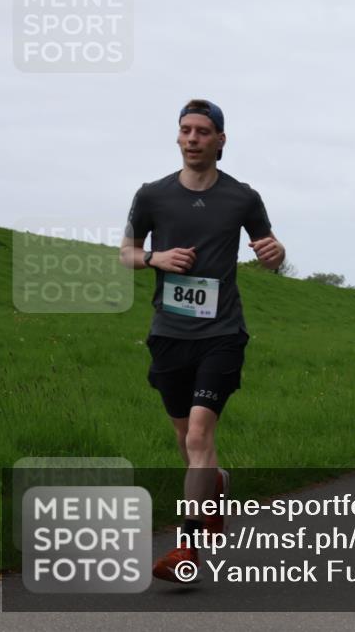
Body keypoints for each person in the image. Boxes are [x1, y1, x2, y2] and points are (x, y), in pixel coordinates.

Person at [120, 99, 285, 581]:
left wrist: (276, 253)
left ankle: (186, 549)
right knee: (184, 439)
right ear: (178, 137)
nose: (192, 138)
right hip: (168, 334)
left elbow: (270, 254)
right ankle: (215, 484)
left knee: (197, 434)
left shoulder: (242, 197)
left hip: (222, 333)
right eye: (185, 130)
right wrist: (156, 258)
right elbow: (125, 253)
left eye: (203, 131)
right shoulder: (152, 195)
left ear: (220, 140)